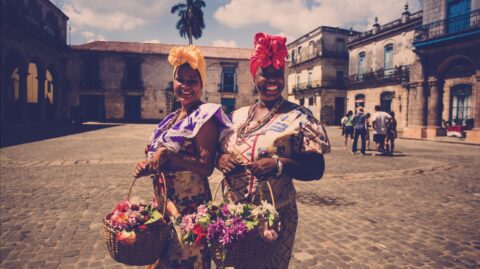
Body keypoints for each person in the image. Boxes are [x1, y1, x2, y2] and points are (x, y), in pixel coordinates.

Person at [216, 33, 330, 269]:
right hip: (232, 218)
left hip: (274, 218)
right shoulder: (235, 117)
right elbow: (217, 150)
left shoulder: (299, 118)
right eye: (264, 74)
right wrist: (221, 159)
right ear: (253, 76)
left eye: (277, 74)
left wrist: (281, 164)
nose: (272, 81)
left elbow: (316, 168)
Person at [134, 45, 231, 269]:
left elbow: (207, 167)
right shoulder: (171, 119)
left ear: (201, 84)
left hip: (189, 214)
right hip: (164, 208)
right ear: (173, 81)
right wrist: (148, 165)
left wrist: (169, 156)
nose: (185, 86)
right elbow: (161, 159)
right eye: (181, 79)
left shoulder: (204, 118)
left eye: (192, 81)